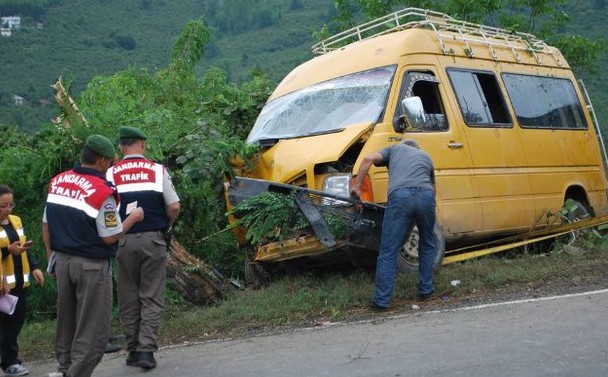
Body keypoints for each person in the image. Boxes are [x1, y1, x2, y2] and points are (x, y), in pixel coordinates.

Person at [42, 134, 144, 377]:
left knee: (67, 323)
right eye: (110, 162)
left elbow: (46, 224)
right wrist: (133, 218)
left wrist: (51, 261)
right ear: (100, 161)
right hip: (91, 267)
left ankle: (65, 368)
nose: (110, 166)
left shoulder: (59, 181)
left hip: (62, 261)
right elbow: (110, 236)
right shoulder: (101, 192)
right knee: (95, 332)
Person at [106, 126, 180, 370]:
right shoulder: (157, 170)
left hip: (123, 241)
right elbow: (174, 207)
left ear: (120, 147)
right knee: (151, 295)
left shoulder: (111, 173)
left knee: (128, 296)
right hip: (153, 240)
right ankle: (147, 351)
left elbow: (104, 212)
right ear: (143, 145)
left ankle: (133, 350)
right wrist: (166, 224)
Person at [350, 138, 436, 310]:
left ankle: (381, 301)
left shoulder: (394, 149)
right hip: (426, 195)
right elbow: (433, 187)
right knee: (427, 243)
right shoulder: (426, 156)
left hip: (401, 197)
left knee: (388, 250)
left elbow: (368, 159)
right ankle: (426, 291)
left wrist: (357, 186)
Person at [0, 184, 45, 376]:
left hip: (18, 283)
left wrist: (34, 267)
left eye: (11, 204)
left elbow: (26, 247)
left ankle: (10, 359)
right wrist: (7, 251)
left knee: (15, 323)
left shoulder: (16, 221)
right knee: (4, 325)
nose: (9, 209)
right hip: (3, 287)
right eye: (3, 205)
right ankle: (9, 362)